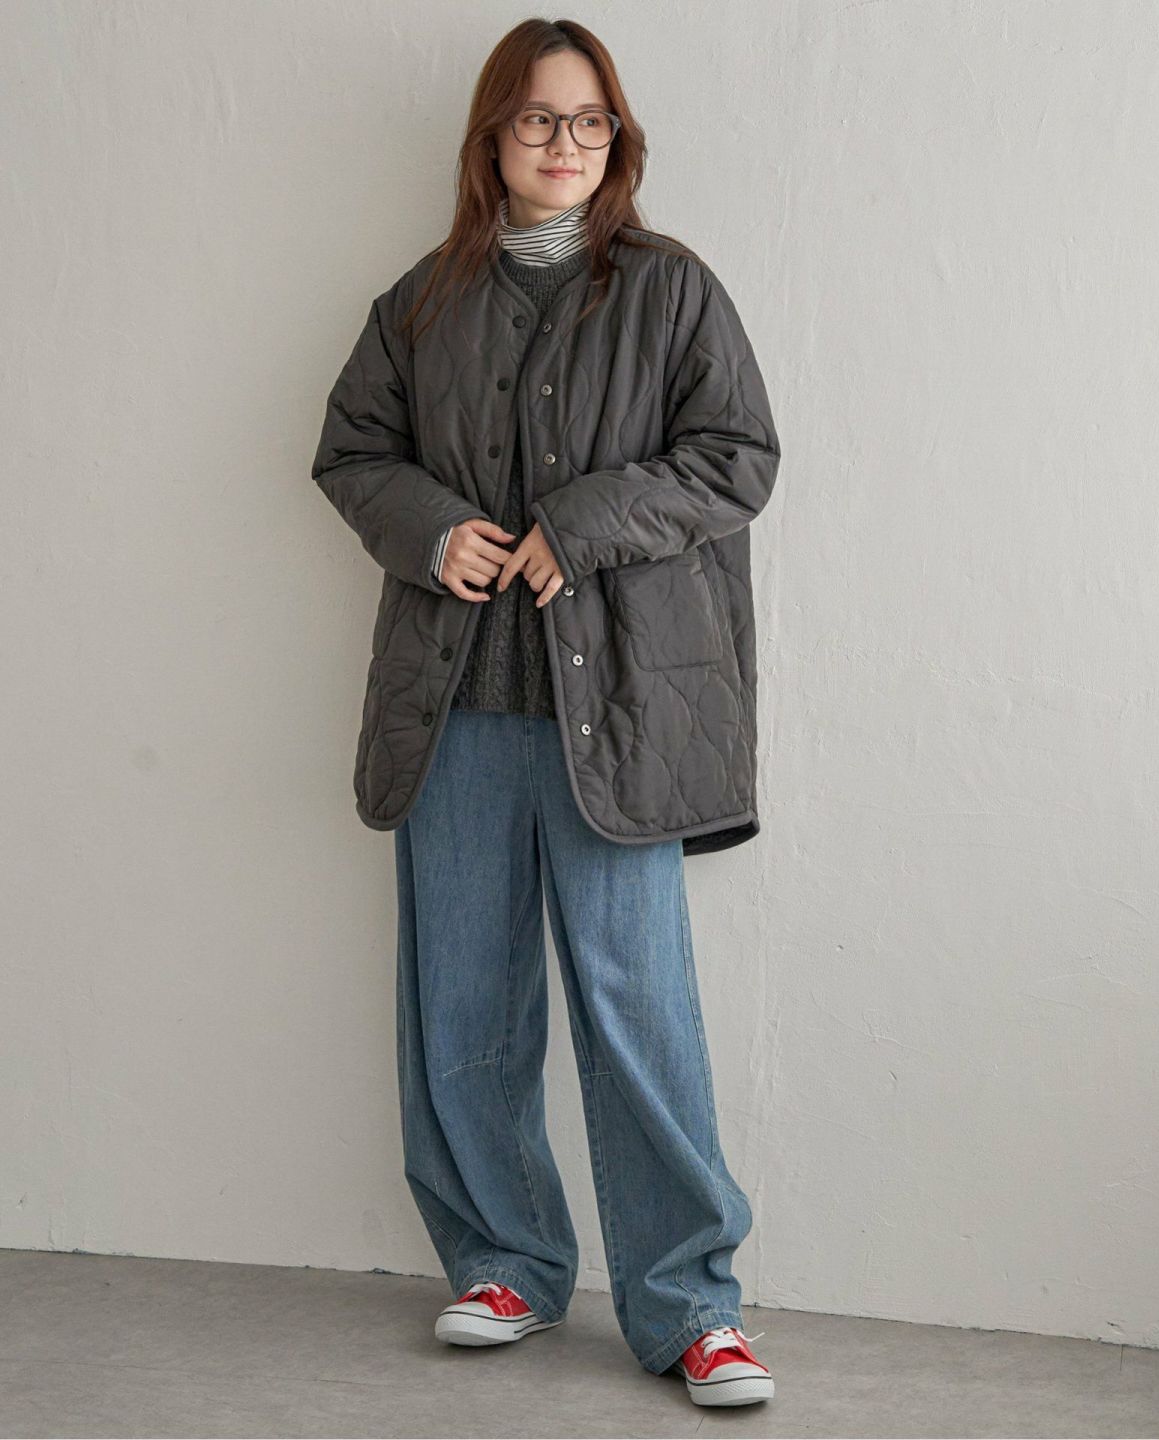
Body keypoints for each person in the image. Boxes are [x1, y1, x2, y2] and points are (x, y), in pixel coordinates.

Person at [311, 17, 780, 1409]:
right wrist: (429, 528)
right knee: (465, 995)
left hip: (620, 714)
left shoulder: (673, 291)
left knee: (638, 1010)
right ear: (493, 140)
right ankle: (504, 1259)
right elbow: (352, 451)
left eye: (587, 121)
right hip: (457, 706)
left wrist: (582, 521)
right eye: (535, 120)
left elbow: (738, 458)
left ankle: (692, 1305)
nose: (563, 143)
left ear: (615, 138)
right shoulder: (419, 302)